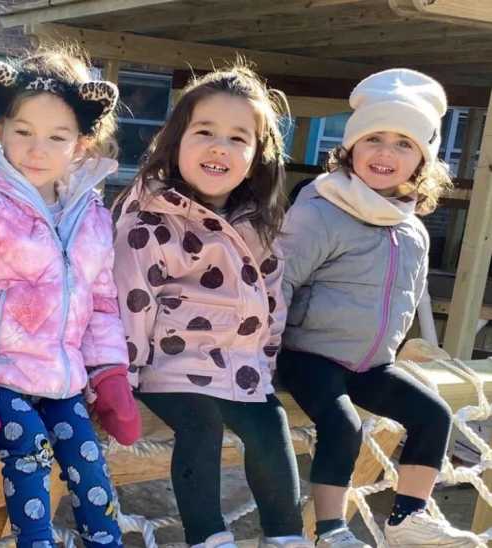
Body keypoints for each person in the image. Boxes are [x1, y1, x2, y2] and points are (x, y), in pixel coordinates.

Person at [0, 47, 141, 548]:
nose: (37, 149)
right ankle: (35, 541)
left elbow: (101, 301)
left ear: (81, 144)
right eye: (23, 132)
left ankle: (105, 540)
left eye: (56, 137)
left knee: (87, 458)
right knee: (30, 449)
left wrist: (109, 372)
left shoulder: (90, 214)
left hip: (63, 378)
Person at [277, 68, 481, 548]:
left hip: (371, 363)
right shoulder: (321, 209)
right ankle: (330, 529)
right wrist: (259, 353)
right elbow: (277, 279)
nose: (386, 153)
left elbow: (406, 297)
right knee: (342, 424)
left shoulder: (412, 229)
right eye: (374, 138)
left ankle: (407, 516)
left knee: (433, 414)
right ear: (350, 148)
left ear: (422, 162)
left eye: (404, 144)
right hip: (310, 354)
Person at [113, 64, 311, 548]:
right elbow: (129, 297)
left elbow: (270, 301)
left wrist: (263, 366)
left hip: (238, 368)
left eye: (238, 138)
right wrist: (123, 376)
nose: (219, 147)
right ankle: (208, 536)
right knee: (199, 423)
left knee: (270, 421)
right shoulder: (150, 217)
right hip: (168, 364)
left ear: (257, 155)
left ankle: (285, 534)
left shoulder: (256, 224)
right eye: (204, 132)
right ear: (176, 139)